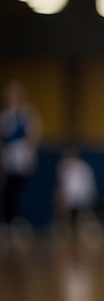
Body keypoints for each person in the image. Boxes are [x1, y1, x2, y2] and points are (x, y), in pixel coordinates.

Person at [1, 80, 42, 227]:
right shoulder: (5, 116)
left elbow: (34, 136)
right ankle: (8, 219)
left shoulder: (28, 114)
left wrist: (29, 156)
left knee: (20, 190)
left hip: (23, 155)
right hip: (10, 157)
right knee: (9, 190)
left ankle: (18, 219)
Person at [55, 146, 99, 240]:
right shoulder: (62, 166)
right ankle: (65, 229)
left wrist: (84, 201)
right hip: (69, 201)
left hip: (81, 199)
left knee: (80, 215)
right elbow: (61, 187)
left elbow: (89, 188)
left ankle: (81, 229)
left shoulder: (84, 168)